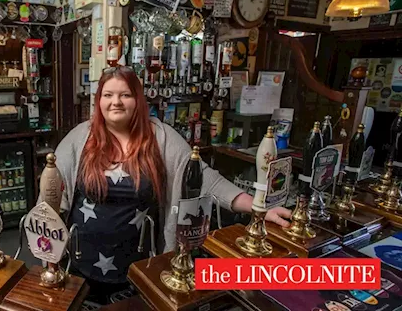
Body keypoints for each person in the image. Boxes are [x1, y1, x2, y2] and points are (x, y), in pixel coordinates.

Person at [51, 66, 291, 304]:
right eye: (108, 95)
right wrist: (49, 255)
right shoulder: (80, 138)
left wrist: (259, 207)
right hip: (80, 267)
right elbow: (50, 198)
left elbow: (207, 180)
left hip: (142, 269)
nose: (116, 102)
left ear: (138, 99)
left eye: (125, 95)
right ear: (98, 100)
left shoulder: (160, 138)